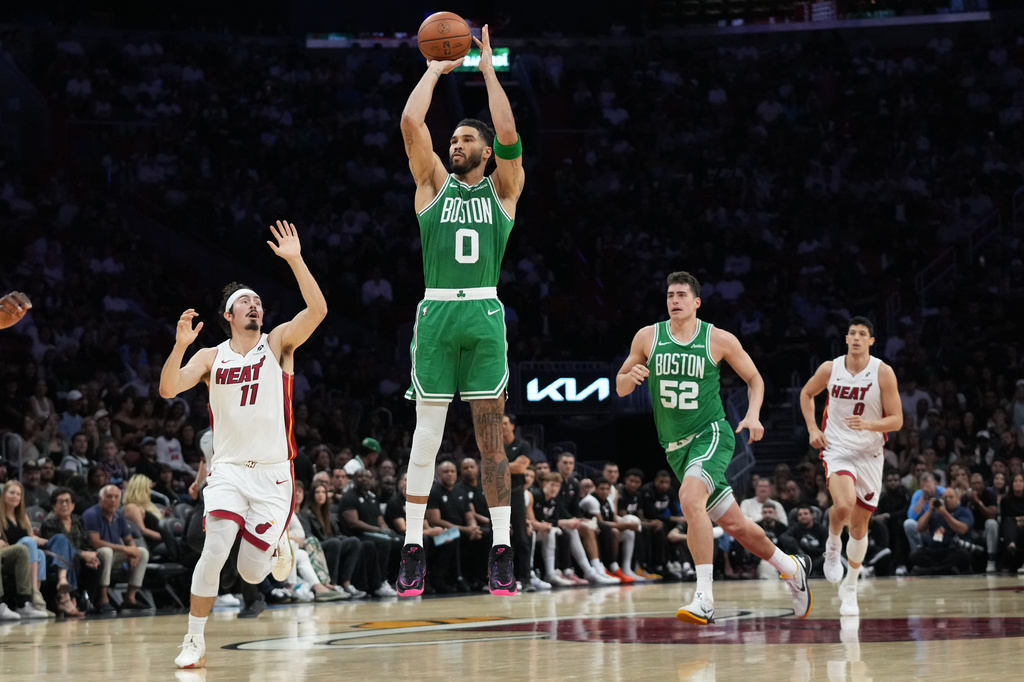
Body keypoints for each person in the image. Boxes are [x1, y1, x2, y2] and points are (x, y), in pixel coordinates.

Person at [159, 221, 327, 669]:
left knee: (252, 571)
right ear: (229, 316)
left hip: (274, 474)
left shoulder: (278, 344)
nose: (255, 306)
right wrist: (179, 347)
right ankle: (194, 640)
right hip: (229, 471)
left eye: (258, 302)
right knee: (214, 550)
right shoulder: (211, 356)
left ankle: (277, 543)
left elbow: (317, 311)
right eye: (245, 303)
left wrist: (295, 259)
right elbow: (168, 388)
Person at [397, 24, 526, 598]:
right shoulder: (431, 185)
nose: (455, 144)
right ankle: (412, 548)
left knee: (490, 439)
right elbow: (410, 123)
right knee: (426, 436)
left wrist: (489, 72)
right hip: (437, 314)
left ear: (485, 152)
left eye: (465, 139)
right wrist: (433, 69)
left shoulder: (503, 191)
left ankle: (501, 548)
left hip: (483, 314)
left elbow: (508, 132)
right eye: (451, 138)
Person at [616, 271, 811, 625]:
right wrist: (629, 378)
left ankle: (704, 597)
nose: (674, 300)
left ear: (696, 302)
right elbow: (620, 387)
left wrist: (753, 414)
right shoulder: (648, 336)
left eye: (681, 295)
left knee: (690, 499)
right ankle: (791, 567)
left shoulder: (717, 338)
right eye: (670, 295)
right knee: (736, 525)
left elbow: (754, 378)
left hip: (712, 434)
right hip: (676, 449)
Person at [799, 316, 903, 616]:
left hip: (869, 454)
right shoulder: (830, 368)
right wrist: (812, 428)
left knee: (859, 528)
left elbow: (897, 419)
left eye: (862, 334)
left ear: (871, 340)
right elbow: (806, 393)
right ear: (846, 338)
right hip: (838, 448)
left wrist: (869, 424)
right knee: (843, 505)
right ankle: (832, 546)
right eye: (852, 333)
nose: (856, 338)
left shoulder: (883, 372)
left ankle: (851, 586)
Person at [82, 484, 151, 613]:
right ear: (101, 499)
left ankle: (130, 598)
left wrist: (133, 552)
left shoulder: (119, 515)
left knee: (142, 552)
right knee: (106, 552)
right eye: (109, 496)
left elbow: (129, 540)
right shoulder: (91, 514)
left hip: (115, 555)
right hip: (94, 556)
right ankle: (103, 599)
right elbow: (95, 542)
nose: (113, 500)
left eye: (116, 497)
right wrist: (125, 550)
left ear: (119, 501)